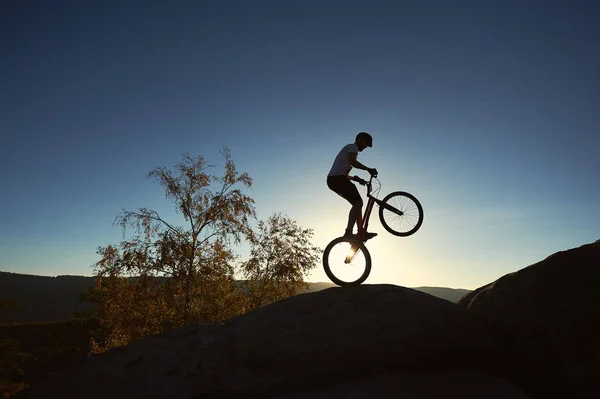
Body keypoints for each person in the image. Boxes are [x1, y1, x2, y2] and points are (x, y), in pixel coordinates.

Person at [327, 132, 378, 241]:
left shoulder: (349, 151)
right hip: (337, 179)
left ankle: (361, 232)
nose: (365, 147)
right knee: (358, 203)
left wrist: (356, 179)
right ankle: (349, 233)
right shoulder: (352, 147)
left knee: (357, 204)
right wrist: (368, 169)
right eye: (366, 144)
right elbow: (353, 162)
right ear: (360, 139)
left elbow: (344, 174)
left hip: (336, 179)